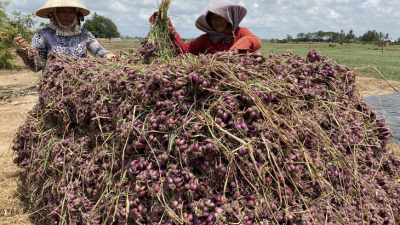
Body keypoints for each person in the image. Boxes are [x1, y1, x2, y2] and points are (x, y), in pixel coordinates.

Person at [13, 0, 116, 73]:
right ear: (54, 14)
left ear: (77, 15)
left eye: (72, 12)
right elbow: (37, 66)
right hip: (53, 89)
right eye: (63, 11)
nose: (68, 15)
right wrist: (23, 51)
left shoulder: (84, 34)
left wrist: (109, 56)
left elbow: (98, 50)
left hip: (81, 87)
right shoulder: (42, 35)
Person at [150, 0, 262, 55]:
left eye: (221, 17)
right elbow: (184, 50)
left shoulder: (240, 32)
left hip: (239, 80)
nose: (217, 21)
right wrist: (170, 30)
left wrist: (233, 52)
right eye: (213, 18)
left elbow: (255, 41)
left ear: (228, 18)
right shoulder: (205, 39)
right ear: (208, 22)